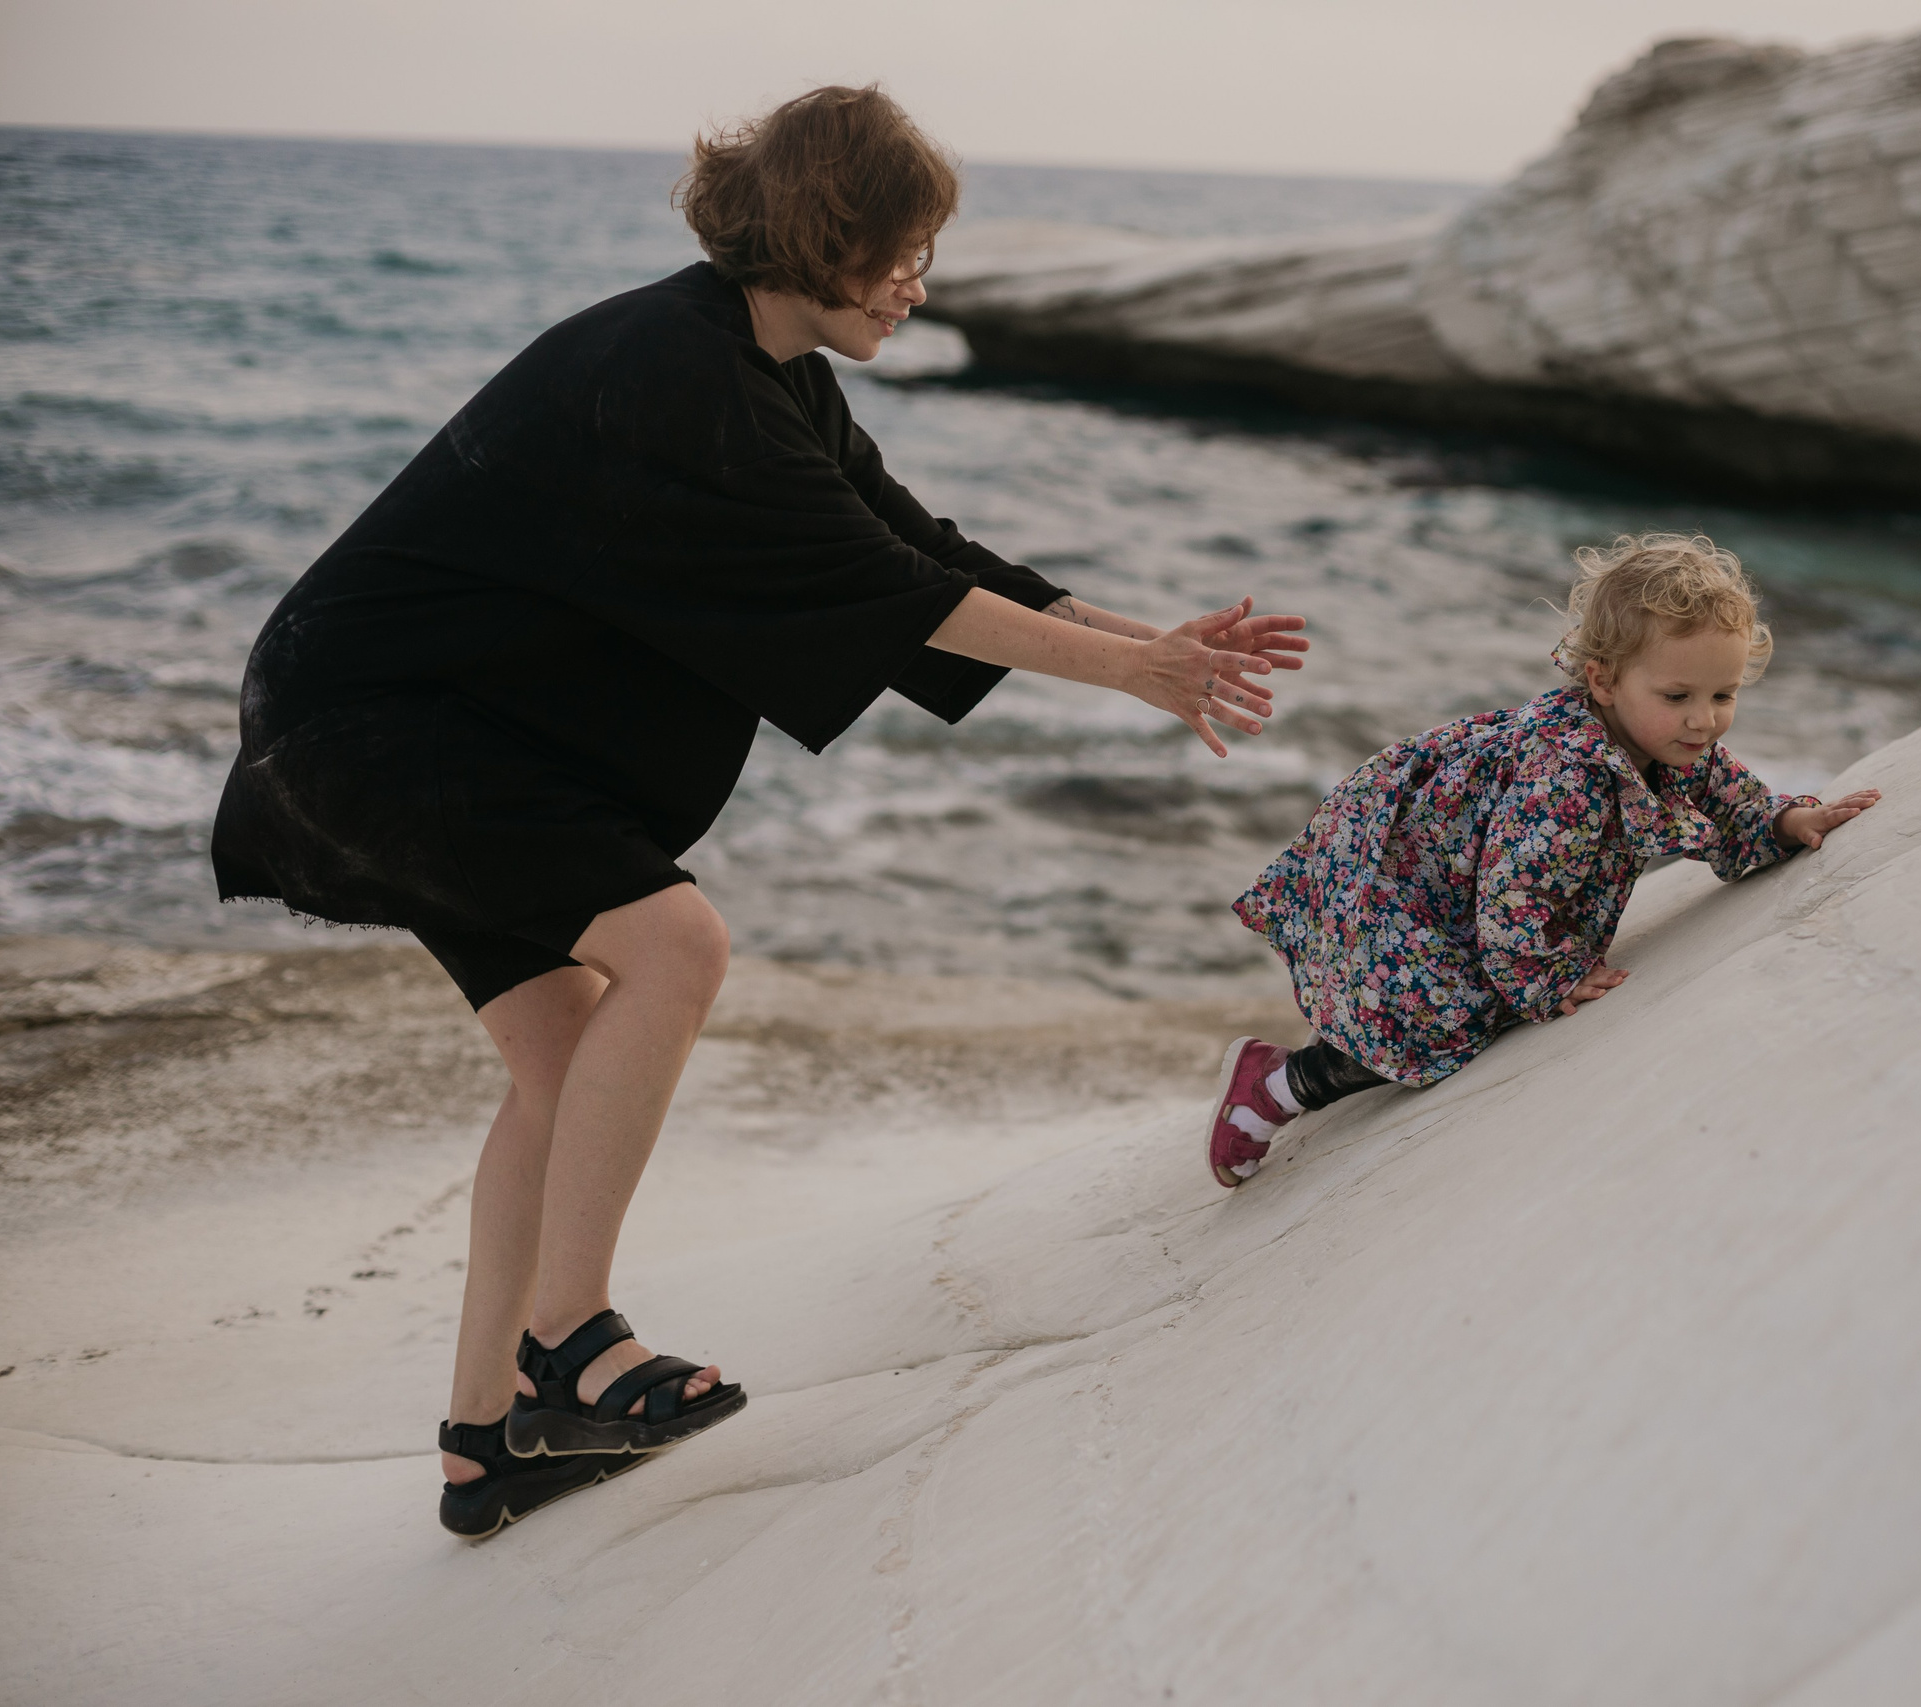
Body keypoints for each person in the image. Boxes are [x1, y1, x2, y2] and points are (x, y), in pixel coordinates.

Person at [209, 85, 1308, 1537]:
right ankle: (568, 1343)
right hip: (370, 730)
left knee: (562, 1060)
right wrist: (1130, 670)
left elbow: (921, 552)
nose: (919, 284)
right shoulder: (677, 374)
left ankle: (485, 1442)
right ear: (825, 235)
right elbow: (890, 594)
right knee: (674, 948)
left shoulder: (770, 372)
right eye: (902, 253)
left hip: (418, 726)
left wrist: (1146, 641)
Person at [1207, 532, 1875, 1186]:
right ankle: (1277, 1083)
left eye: (1722, 696)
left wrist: (1784, 821)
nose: (1704, 720)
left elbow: (1727, 798)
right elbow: (1514, 897)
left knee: (1442, 993)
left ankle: (1327, 1046)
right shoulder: (1565, 782)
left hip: (1459, 884)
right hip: (1412, 879)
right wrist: (1549, 979)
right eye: (1679, 697)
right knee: (1434, 1017)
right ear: (1603, 680)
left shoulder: (1658, 736)